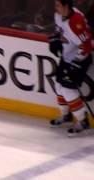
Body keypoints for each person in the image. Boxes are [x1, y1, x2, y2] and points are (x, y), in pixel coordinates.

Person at [48, 0, 92, 136]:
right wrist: (55, 39)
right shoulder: (58, 15)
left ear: (66, 6)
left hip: (80, 59)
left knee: (68, 89)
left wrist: (76, 64)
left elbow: (87, 46)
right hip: (67, 57)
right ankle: (66, 116)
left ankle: (83, 120)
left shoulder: (76, 21)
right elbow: (59, 31)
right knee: (59, 86)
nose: (55, 7)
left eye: (58, 5)